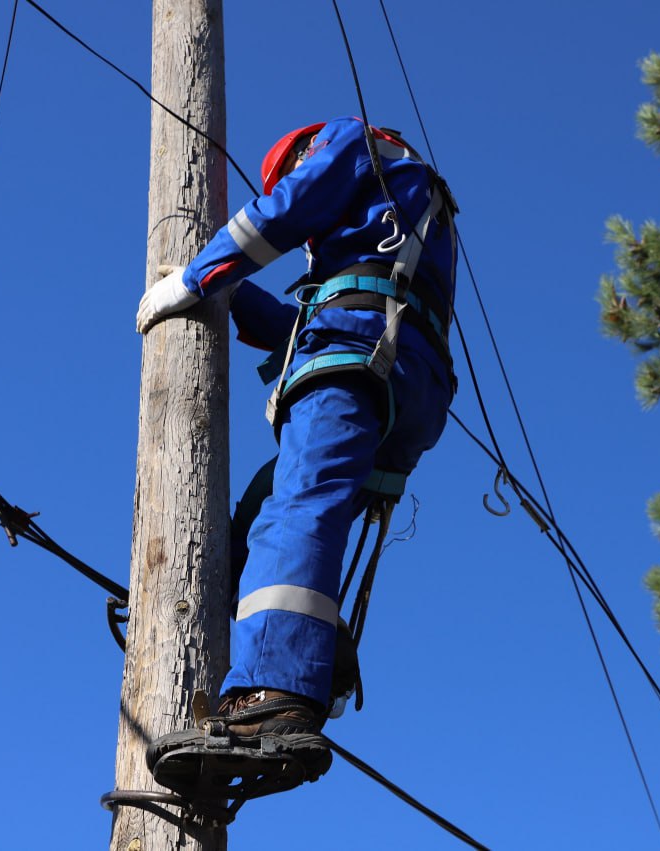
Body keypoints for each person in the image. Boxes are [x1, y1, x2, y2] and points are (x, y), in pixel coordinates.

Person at [135, 116, 457, 798]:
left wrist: (196, 277)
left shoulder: (352, 145)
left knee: (298, 507)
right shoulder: (408, 220)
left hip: (361, 350)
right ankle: (228, 617)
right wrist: (230, 295)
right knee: (269, 500)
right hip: (407, 374)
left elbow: (282, 214)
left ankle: (276, 690)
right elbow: (306, 324)